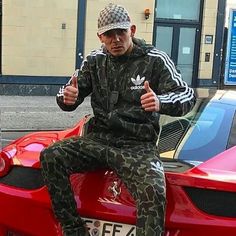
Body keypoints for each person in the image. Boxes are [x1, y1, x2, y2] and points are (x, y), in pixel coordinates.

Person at [40, 3, 196, 236]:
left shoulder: (155, 59)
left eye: (120, 32)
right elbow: (69, 93)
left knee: (153, 191)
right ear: (100, 37)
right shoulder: (94, 61)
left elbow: (187, 95)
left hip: (136, 146)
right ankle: (73, 228)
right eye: (108, 34)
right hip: (99, 140)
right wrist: (67, 98)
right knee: (51, 156)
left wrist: (161, 102)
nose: (116, 39)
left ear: (132, 30)